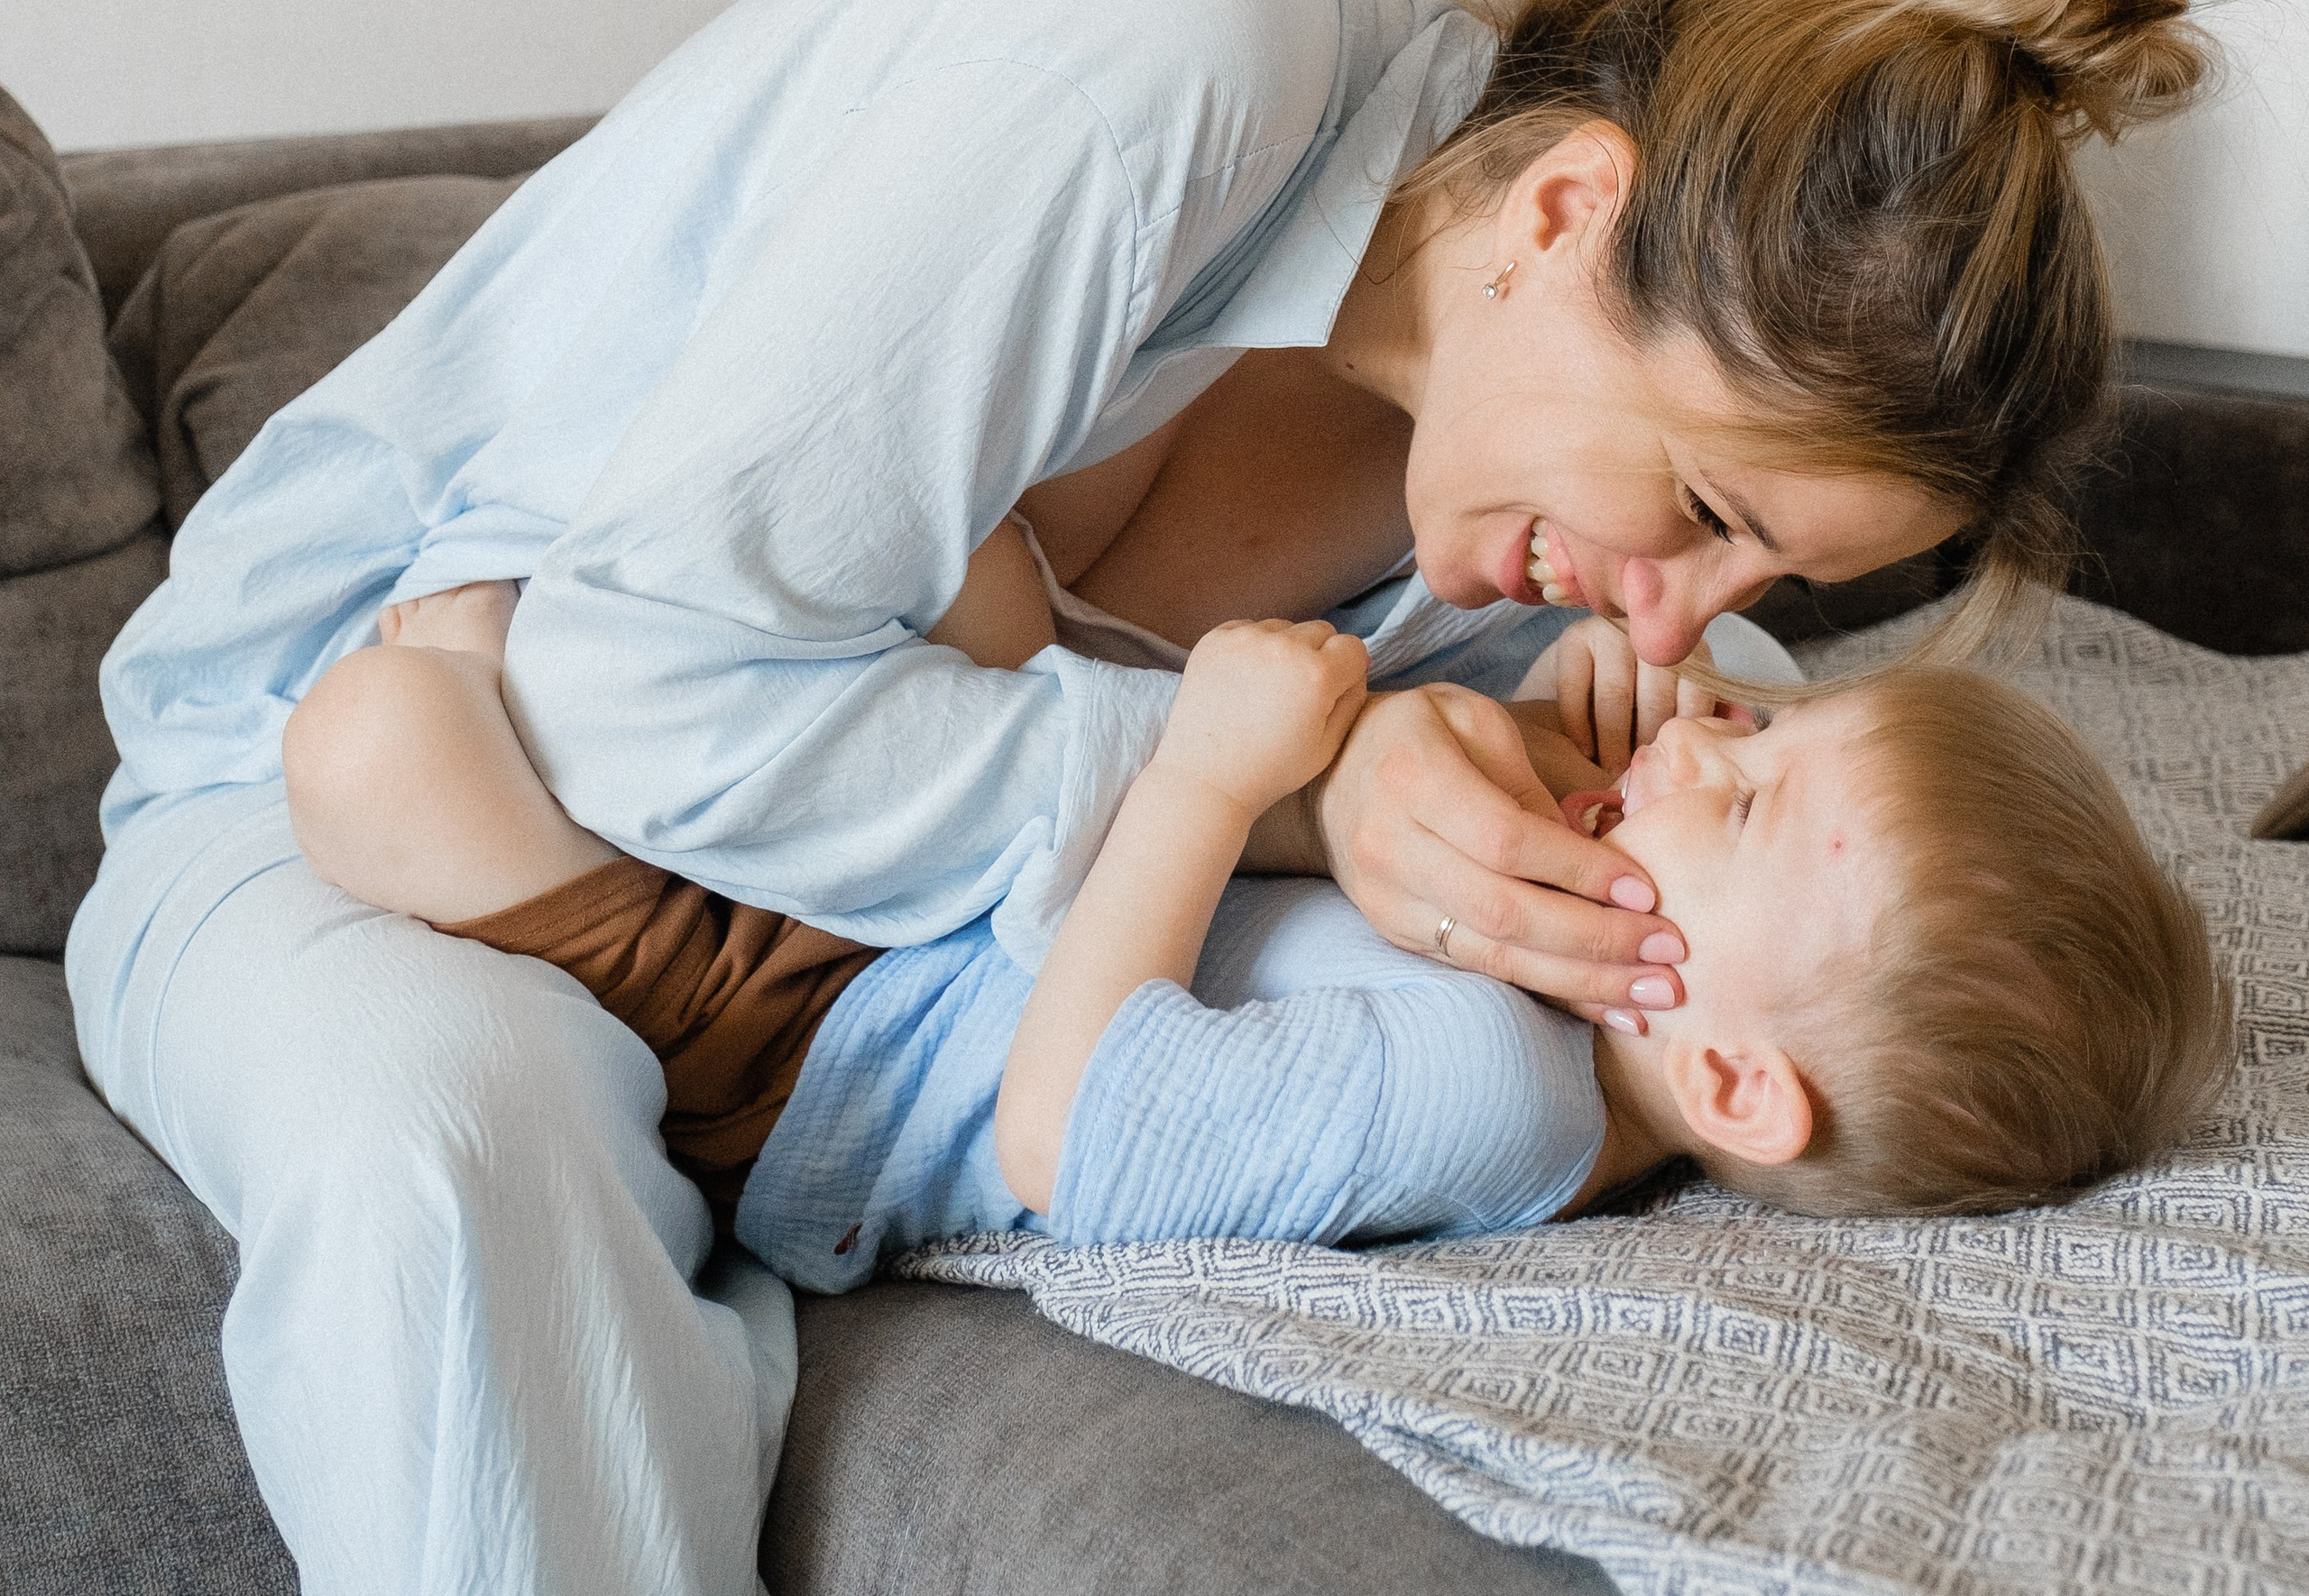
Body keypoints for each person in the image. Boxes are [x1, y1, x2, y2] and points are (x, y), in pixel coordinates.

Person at [69, 0, 2210, 1596]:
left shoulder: (1491, 484)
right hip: (373, 766)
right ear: (1563, 209)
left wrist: (1577, 756)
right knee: (443, 1150)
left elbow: (1724, 765)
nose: (1680, 618)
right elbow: (635, 694)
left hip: (844, 966)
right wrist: (1292, 794)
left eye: (1767, 572)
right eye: (1695, 505)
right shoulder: (1172, 51)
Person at [282, 548, 2233, 1271]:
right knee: (970, 563)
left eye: (1741, 793)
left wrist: (1213, 780)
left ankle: (505, 671)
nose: (1716, 719)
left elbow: (1063, 1133)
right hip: (955, 889)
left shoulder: (1500, 1096)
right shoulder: (1599, 957)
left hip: (819, 1050)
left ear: (1726, 1079)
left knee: (377, 743)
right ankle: (566, 652)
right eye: (1772, 722)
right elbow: (1446, 812)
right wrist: (1577, 707)